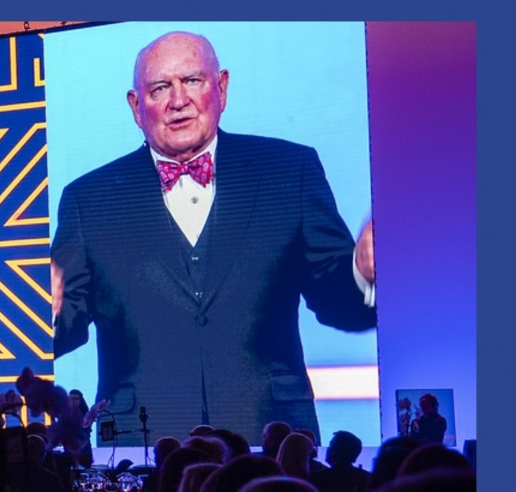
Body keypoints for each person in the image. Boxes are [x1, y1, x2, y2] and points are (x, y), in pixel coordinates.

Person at [51, 32, 376, 439]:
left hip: (273, 439)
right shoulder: (88, 199)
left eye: (192, 81)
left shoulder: (289, 170)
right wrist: (43, 311)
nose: (178, 100)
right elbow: (65, 324)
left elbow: (338, 302)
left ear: (221, 87)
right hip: (141, 443)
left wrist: (362, 273)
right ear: (136, 106)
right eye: (159, 88)